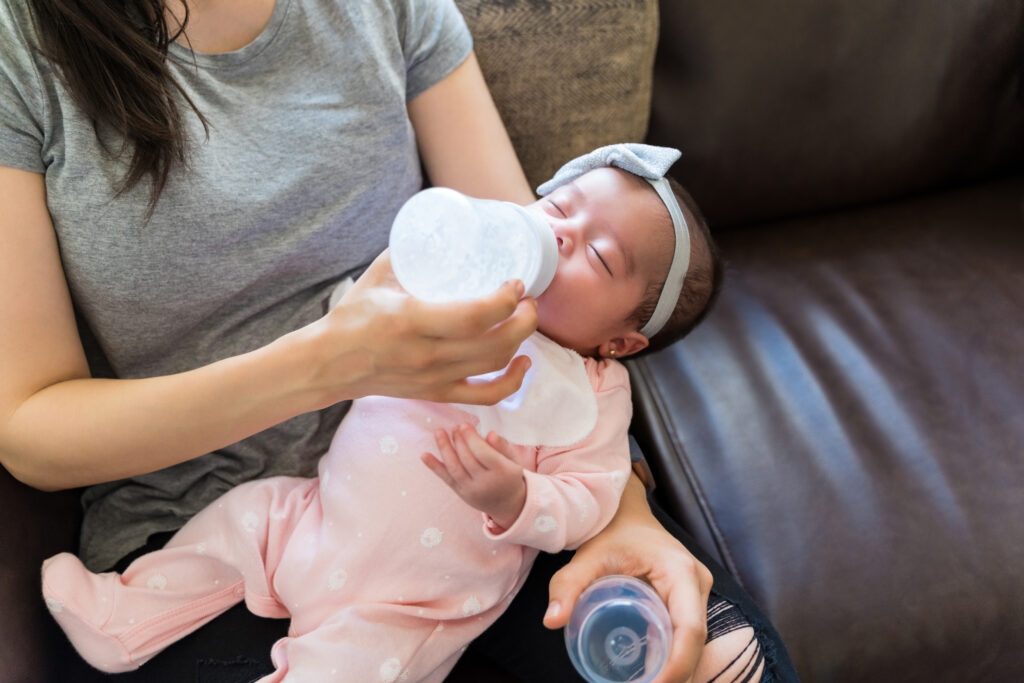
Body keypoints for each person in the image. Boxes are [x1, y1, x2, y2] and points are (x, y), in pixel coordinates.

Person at [0, 0, 796, 681]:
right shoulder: (22, 48)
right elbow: (33, 426)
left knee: (730, 658)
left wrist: (619, 508)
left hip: (479, 491)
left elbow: (525, 279)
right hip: (209, 523)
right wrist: (332, 362)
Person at [41, 151, 741, 682]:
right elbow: (366, 316)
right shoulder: (473, 290)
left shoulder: (591, 394)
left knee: (348, 665)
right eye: (560, 206)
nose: (559, 235)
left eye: (597, 253)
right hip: (315, 515)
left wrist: (518, 498)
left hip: (416, 600)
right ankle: (123, 615)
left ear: (620, 340)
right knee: (234, 526)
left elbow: (591, 497)